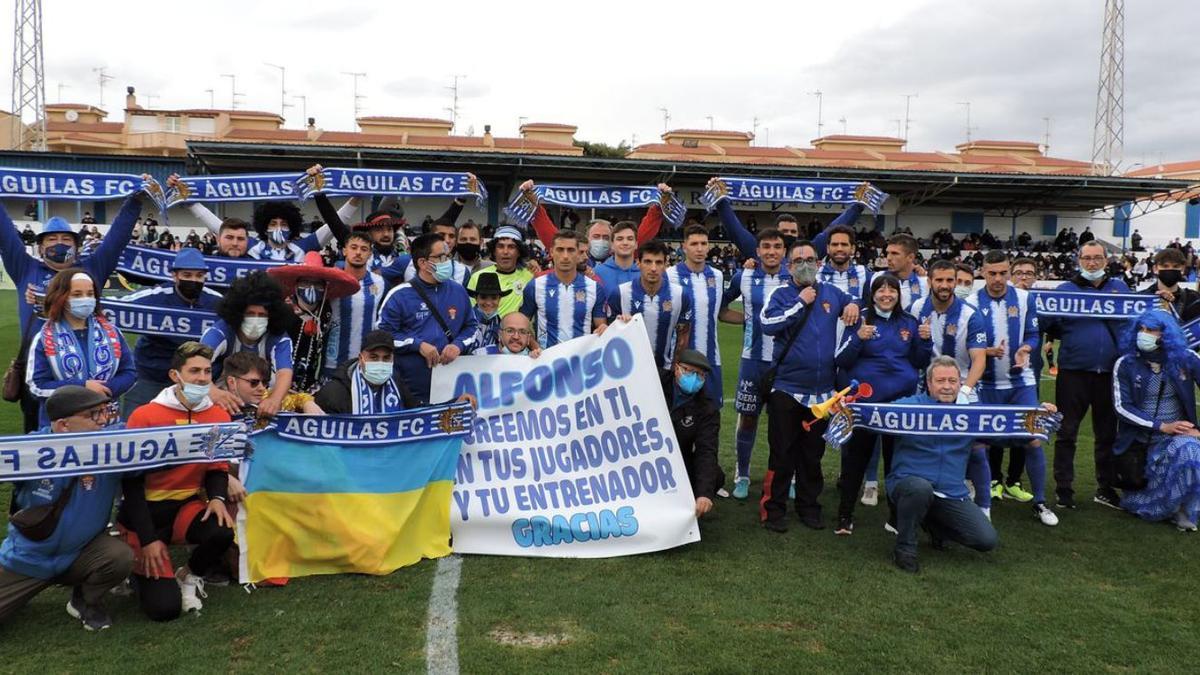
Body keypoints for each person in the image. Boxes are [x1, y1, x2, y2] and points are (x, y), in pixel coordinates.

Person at [1, 189, 143, 430]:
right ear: (39, 246)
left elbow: (117, 237)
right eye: (51, 239)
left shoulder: (93, 268)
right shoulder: (26, 268)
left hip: (93, 362)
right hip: (41, 367)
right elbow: (4, 234)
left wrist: (136, 200)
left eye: (66, 239)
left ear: (77, 246)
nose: (59, 244)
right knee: (40, 434)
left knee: (97, 433)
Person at [0, 386, 134, 630]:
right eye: (93, 415)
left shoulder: (114, 446)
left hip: (81, 553)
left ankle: (85, 600)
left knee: (119, 556)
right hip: (28, 557)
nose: (103, 420)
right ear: (63, 425)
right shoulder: (30, 450)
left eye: (105, 412)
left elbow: (158, 447)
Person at [118, 342, 234, 619]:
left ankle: (190, 574)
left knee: (222, 530)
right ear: (175, 376)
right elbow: (131, 483)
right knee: (165, 610)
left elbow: (216, 467)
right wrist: (147, 539)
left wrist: (217, 498)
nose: (202, 378)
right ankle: (136, 570)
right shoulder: (145, 416)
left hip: (185, 507)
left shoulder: (218, 415)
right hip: (145, 512)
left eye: (207, 371)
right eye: (194, 371)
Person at [760, 239, 860, 531]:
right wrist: (800, 302)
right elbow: (767, 324)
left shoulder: (832, 292)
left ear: (820, 263)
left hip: (821, 395)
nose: (804, 265)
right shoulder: (780, 293)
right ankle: (774, 510)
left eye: (810, 259)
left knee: (812, 455)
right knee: (781, 453)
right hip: (786, 389)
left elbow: (857, 307)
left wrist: (853, 304)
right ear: (789, 266)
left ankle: (808, 507)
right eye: (798, 260)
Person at [889, 357, 1013, 573]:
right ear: (929, 384)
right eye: (940, 381)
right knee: (919, 488)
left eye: (952, 381)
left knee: (986, 540)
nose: (947, 386)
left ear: (960, 384)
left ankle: (936, 525)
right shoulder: (909, 406)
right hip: (909, 484)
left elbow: (1007, 432)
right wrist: (850, 409)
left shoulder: (971, 414)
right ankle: (905, 547)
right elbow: (875, 415)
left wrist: (1038, 417)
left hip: (951, 491)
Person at [833, 275, 933, 535]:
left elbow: (920, 361)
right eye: (881, 290)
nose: (886, 294)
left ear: (899, 295)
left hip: (899, 406)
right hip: (866, 405)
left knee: (895, 462)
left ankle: (894, 516)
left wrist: (925, 340)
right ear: (872, 293)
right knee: (856, 460)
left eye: (892, 290)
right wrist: (859, 338)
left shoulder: (910, 322)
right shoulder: (860, 318)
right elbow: (841, 359)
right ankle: (845, 516)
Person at [1043, 241, 1131, 511]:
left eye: (1097, 258)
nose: (1091, 263)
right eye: (1086, 258)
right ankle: (1064, 489)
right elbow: (1051, 324)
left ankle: (1105, 488)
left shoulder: (1120, 288)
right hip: (1073, 372)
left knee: (1106, 433)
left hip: (1109, 373)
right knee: (1066, 432)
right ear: (1078, 260)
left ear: (1106, 260)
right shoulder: (1065, 289)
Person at [973, 250, 1057, 525]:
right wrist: (986, 351)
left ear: (1009, 272)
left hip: (1021, 382)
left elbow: (1033, 333)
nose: (998, 279)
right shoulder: (971, 302)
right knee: (980, 443)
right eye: (992, 273)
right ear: (983, 272)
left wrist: (1026, 348)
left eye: (1002, 273)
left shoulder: (1024, 298)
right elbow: (967, 344)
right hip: (984, 384)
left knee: (1032, 438)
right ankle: (983, 503)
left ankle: (1040, 502)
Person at [719, 229, 790, 500]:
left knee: (785, 424)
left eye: (777, 246)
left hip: (784, 363)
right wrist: (748, 322)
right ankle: (743, 474)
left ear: (784, 251)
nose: (771, 251)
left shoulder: (795, 278)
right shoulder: (743, 276)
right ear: (757, 251)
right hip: (752, 362)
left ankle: (787, 475)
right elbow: (721, 309)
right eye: (766, 246)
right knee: (748, 420)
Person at [1112, 310, 1200, 531]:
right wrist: (1161, 426)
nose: (1144, 334)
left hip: (1179, 434)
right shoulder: (1125, 363)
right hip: (1141, 437)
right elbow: (1122, 407)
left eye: (1151, 330)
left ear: (1165, 334)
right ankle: (1161, 503)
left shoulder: (1187, 358)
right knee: (1140, 500)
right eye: (1141, 329)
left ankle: (1181, 509)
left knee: (1190, 449)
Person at [119, 248, 225, 413]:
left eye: (199, 276)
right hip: (152, 374)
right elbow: (118, 307)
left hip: (196, 378)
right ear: (174, 276)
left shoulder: (216, 301)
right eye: (187, 275)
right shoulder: (156, 296)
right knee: (136, 424)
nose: (194, 280)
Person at [376, 233, 477, 403]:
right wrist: (417, 345)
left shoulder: (458, 291)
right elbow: (382, 336)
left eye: (448, 256)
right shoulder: (399, 295)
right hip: (409, 389)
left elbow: (472, 327)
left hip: (450, 386)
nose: (447, 262)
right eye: (440, 257)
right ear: (422, 263)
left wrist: (457, 345)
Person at [26, 269, 135, 427]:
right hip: (64, 427)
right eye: (77, 295)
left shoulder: (112, 332)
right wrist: (82, 387)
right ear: (61, 297)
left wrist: (106, 389)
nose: (85, 299)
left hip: (109, 423)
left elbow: (129, 373)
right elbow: (37, 386)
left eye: (90, 294)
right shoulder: (45, 338)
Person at [200, 271, 296, 418]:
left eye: (262, 315)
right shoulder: (219, 332)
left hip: (260, 400)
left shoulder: (279, 338)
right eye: (250, 313)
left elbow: (285, 372)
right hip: (215, 397)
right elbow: (197, 362)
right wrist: (213, 392)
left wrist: (274, 400)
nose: (256, 319)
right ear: (238, 312)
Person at [267, 251, 359, 395]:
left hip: (311, 389)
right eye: (305, 282)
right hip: (277, 386)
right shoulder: (281, 312)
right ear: (296, 286)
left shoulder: (326, 312)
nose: (311, 288)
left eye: (317, 284)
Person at [520, 179, 668, 267]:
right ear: (586, 239)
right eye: (596, 236)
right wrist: (534, 205)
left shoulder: (625, 254)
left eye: (605, 237)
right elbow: (549, 235)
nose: (601, 241)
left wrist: (659, 205)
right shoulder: (573, 256)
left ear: (613, 242)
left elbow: (645, 231)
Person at [607, 240, 691, 370]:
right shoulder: (620, 293)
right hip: (628, 372)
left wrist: (676, 367)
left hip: (665, 371)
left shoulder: (680, 295)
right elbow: (608, 334)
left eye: (658, 262)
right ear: (638, 263)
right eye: (647, 262)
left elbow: (683, 337)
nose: (653, 268)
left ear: (665, 265)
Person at [666, 225, 726, 407]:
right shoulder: (670, 275)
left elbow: (721, 311)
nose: (699, 248)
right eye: (694, 244)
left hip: (711, 359)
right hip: (680, 362)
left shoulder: (717, 275)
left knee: (711, 417)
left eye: (703, 243)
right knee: (678, 418)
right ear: (684, 246)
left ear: (708, 246)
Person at [660, 349, 724, 519]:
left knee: (716, 476)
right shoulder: (653, 382)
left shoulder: (707, 409)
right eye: (689, 371)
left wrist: (704, 493)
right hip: (644, 457)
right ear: (676, 368)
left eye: (700, 375)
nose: (694, 378)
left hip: (679, 460)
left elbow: (706, 450)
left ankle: (690, 507)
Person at [520, 230, 607, 348]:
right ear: (551, 252)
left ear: (578, 253)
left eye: (571, 250)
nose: (565, 256)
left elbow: (601, 329)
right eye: (560, 249)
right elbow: (521, 326)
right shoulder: (535, 286)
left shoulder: (595, 288)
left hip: (580, 361)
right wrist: (536, 348)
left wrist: (605, 329)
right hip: (546, 361)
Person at [324, 231, 388, 378]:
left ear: (370, 254)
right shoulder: (329, 279)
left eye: (364, 249)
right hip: (332, 361)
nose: (358, 252)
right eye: (354, 247)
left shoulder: (379, 282)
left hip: (365, 361)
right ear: (344, 250)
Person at [313, 330, 421, 415]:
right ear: (361, 359)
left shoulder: (396, 383)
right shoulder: (334, 392)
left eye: (386, 358)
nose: (380, 363)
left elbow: (416, 411)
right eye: (374, 357)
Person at [465, 225, 534, 317]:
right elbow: (470, 314)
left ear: (519, 252)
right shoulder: (477, 277)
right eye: (500, 246)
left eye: (511, 247)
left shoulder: (530, 276)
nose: (505, 252)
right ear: (494, 251)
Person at [1142, 248, 1200, 322]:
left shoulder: (1194, 299)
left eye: (1175, 266)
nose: (1170, 269)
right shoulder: (1142, 298)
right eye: (1165, 266)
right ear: (1155, 269)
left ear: (1182, 269)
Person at [885, 233, 929, 311]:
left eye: (895, 253)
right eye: (887, 253)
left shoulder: (926, 283)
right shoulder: (875, 278)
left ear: (910, 257)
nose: (888, 258)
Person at [467, 271, 508, 353]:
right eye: (483, 297)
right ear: (476, 298)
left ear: (499, 299)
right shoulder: (464, 320)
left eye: (494, 298)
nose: (488, 303)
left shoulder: (501, 323)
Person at [594, 221, 642, 290]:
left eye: (630, 239)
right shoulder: (597, 272)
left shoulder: (645, 272)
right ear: (612, 244)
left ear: (636, 244)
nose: (625, 243)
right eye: (620, 239)